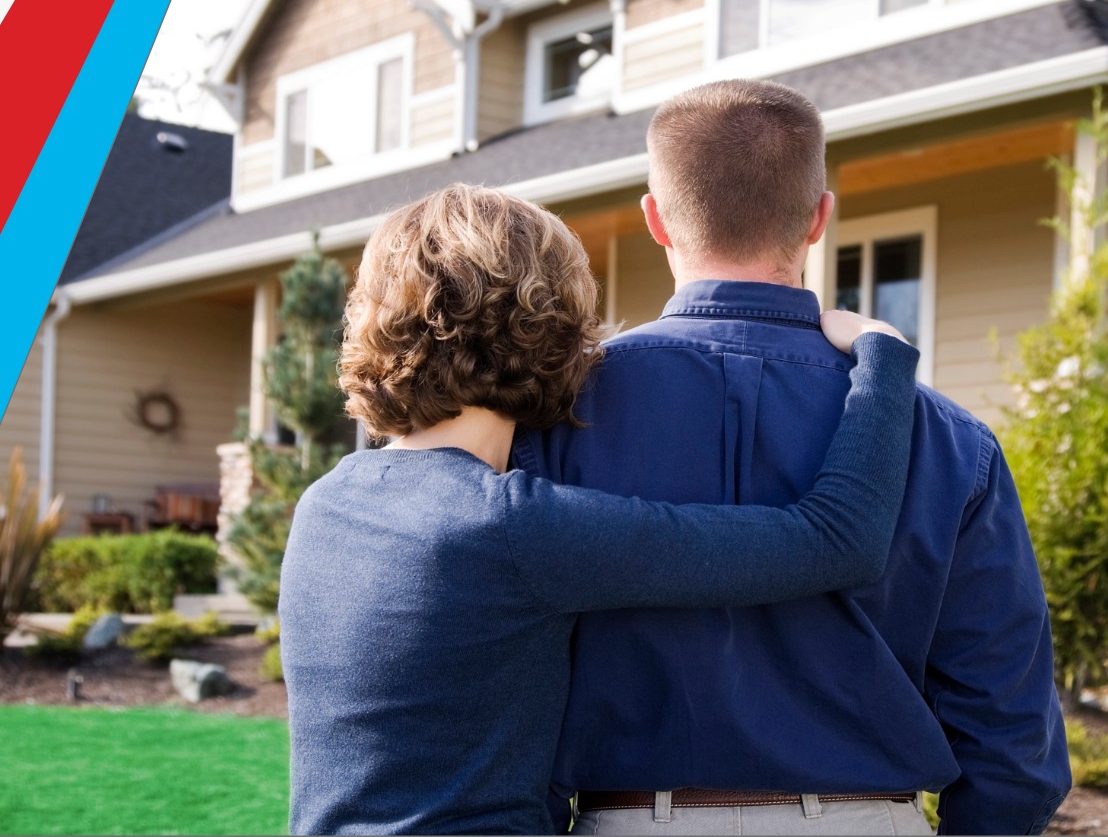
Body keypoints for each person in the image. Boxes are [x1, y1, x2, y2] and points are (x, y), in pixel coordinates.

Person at [513, 79, 1068, 836]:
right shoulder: (946, 436)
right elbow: (1011, 736)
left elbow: (507, 682)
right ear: (818, 216)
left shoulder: (552, 417)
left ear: (655, 218)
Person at [280, 183, 920, 836]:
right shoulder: (509, 528)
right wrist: (884, 357)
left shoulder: (324, 506)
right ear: (554, 336)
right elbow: (837, 540)